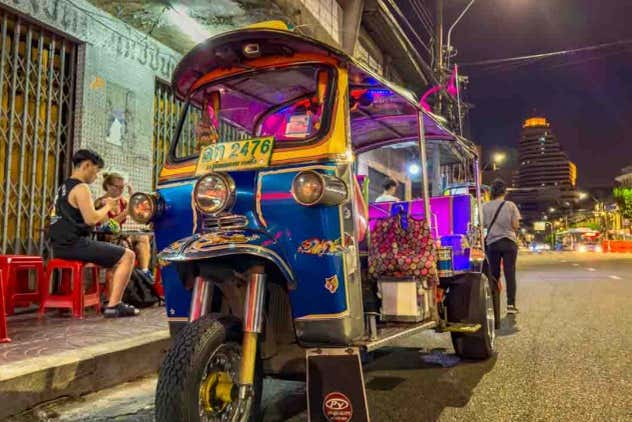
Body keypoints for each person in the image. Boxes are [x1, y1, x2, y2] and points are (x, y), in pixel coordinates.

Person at [49, 149, 139, 318]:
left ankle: (109, 300)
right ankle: (114, 305)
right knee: (128, 256)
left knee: (116, 256)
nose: (96, 176)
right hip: (74, 244)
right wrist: (108, 206)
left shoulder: (63, 187)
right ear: (87, 165)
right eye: (96, 171)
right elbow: (91, 219)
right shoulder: (81, 187)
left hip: (60, 245)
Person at [95, 172, 154, 281]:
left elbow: (139, 212)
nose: (119, 190)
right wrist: (125, 213)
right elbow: (108, 227)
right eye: (116, 187)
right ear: (108, 186)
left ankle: (144, 274)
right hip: (104, 239)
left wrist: (133, 195)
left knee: (142, 238)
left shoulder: (123, 201)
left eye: (122, 188)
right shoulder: (101, 203)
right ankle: (125, 284)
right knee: (123, 245)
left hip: (119, 236)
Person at [483, 178, 521, 314]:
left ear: (492, 192)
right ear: (504, 192)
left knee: (494, 275)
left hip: (493, 244)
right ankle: (511, 305)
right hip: (509, 242)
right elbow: (516, 225)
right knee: (510, 273)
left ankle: (493, 305)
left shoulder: (485, 206)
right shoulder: (510, 205)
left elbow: (482, 226)